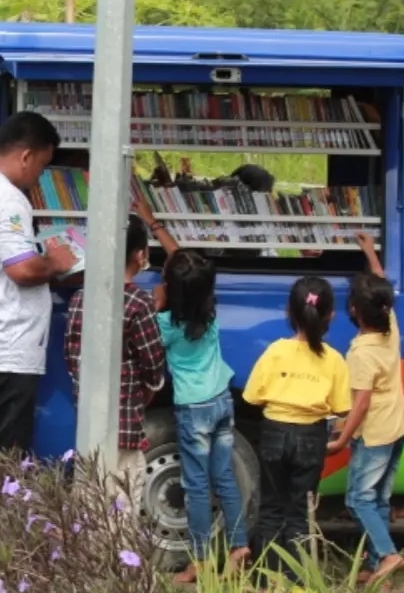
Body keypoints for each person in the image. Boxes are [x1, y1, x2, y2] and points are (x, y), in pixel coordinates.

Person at [0, 111, 76, 453]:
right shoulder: (6, 198)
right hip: (8, 345)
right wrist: (57, 261)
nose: (39, 178)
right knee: (2, 455)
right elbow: (21, 270)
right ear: (25, 156)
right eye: (41, 166)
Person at [243, 277, 351, 586]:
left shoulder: (276, 351)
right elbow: (342, 407)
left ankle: (265, 581)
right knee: (300, 512)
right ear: (330, 315)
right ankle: (297, 580)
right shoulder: (334, 359)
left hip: (274, 432)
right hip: (311, 437)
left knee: (271, 508)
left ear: (289, 313)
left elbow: (252, 396)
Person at [154, 248, 249, 583]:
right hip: (222, 401)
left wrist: (157, 303)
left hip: (193, 410)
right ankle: (239, 547)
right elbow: (190, 272)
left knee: (195, 485)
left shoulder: (166, 324)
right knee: (222, 477)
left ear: (171, 290)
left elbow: (148, 340)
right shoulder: (209, 313)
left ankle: (201, 561)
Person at [63, 215, 165, 513]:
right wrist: (150, 388)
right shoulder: (139, 302)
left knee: (89, 505)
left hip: (88, 425)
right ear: (140, 254)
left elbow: (71, 356)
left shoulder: (80, 299)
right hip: (124, 427)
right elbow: (153, 363)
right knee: (121, 506)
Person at [326, 232, 404, 584]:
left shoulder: (360, 353)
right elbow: (383, 287)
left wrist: (342, 439)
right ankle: (378, 569)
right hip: (397, 427)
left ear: (354, 311)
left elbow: (361, 403)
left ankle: (388, 555)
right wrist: (370, 252)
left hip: (373, 433)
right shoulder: (390, 329)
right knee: (378, 499)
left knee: (358, 499)